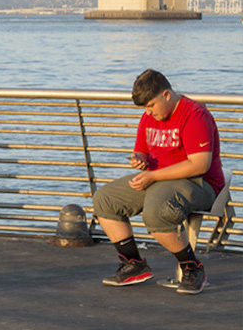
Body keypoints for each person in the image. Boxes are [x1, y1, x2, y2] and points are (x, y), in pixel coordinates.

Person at [92, 69, 224, 295]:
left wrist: (152, 176)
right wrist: (139, 161)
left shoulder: (194, 114)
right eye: (144, 108)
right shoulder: (149, 117)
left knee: (157, 212)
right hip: (157, 178)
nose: (148, 112)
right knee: (104, 199)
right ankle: (134, 264)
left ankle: (192, 267)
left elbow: (199, 164)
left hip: (198, 182)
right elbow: (142, 151)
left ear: (166, 95)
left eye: (151, 105)